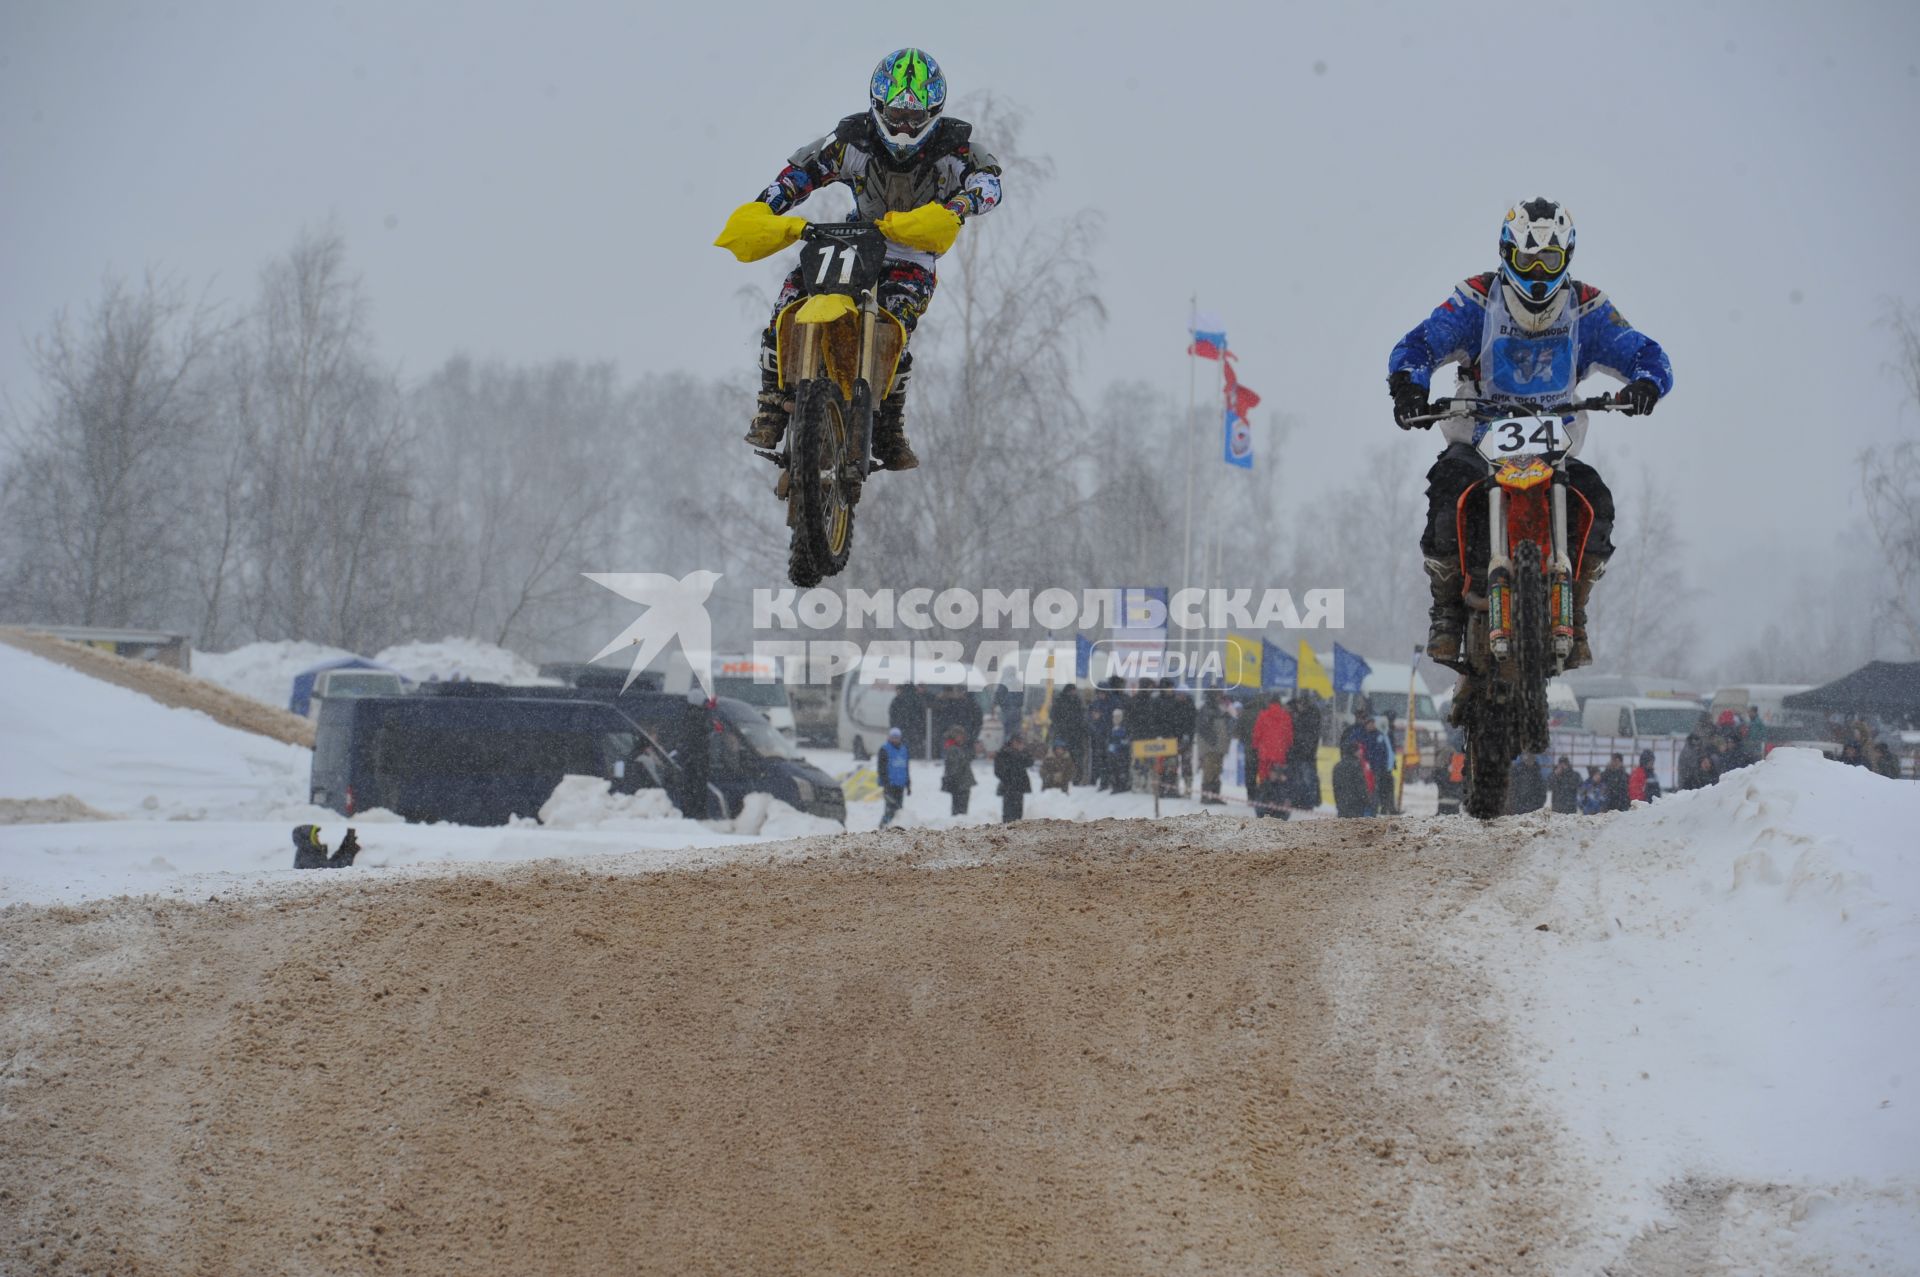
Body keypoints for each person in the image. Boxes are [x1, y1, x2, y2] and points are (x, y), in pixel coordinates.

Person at [1387, 197, 1674, 670]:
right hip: (1480, 434)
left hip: (1554, 444)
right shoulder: (1475, 298)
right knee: (1447, 492)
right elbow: (1419, 343)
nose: (1538, 274)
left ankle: (1575, 612)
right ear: (1506, 253)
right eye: (1527, 260)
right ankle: (1446, 613)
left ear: (1568, 258)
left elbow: (1645, 352)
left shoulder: (1586, 308)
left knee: (1596, 501)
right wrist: (1408, 387)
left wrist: (1646, 384)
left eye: (1549, 261)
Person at [718, 48, 1003, 472]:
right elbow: (800, 173)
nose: (904, 126)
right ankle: (770, 405)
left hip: (912, 255)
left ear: (933, 113)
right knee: (789, 300)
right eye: (896, 114)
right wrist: (770, 205)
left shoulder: (954, 148)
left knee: (897, 323)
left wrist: (962, 205)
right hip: (853, 239)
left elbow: (989, 181)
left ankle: (889, 427)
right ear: (878, 106)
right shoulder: (852, 140)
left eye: (914, 117)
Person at [1252, 696, 1296, 819]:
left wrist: (1256, 746)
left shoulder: (1263, 715)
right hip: (1279, 755)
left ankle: (1264, 809)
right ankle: (1278, 808)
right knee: (1279, 784)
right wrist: (1285, 748)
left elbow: (1257, 734)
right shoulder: (1286, 716)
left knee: (1265, 783)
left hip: (1264, 756)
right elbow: (1289, 738)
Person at [1288, 692, 1325, 811]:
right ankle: (1308, 802)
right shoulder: (1313, 715)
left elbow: (1304, 737)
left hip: (1303, 754)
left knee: (1304, 779)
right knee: (1308, 779)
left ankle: (1306, 802)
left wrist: (1300, 748)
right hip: (1307, 754)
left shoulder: (1306, 718)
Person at [1196, 689, 1233, 805]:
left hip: (1218, 747)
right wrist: (1213, 740)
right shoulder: (1207, 709)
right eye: (1218, 695)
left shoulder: (1217, 709)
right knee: (1209, 772)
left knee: (1216, 772)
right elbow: (1203, 728)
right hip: (1210, 748)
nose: (1220, 697)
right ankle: (1206, 796)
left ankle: (1214, 795)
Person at [1050, 682, 1090, 784]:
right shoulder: (1061, 701)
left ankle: (1076, 777)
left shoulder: (1076, 701)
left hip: (1075, 734)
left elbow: (1082, 717)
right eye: (1072, 691)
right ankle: (1064, 777)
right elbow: (1054, 717)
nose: (1073, 693)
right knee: (1064, 757)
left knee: (1076, 757)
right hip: (1065, 733)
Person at [994, 733, 1034, 822]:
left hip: (1020, 786)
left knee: (1018, 811)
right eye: (1017, 742)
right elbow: (998, 770)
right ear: (1012, 742)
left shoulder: (1022, 753)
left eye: (1020, 742)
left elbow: (1030, 762)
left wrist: (1022, 752)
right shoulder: (1004, 753)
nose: (1019, 744)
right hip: (1008, 786)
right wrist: (1007, 778)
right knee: (1008, 811)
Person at [878, 726, 912, 826]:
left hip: (900, 784)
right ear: (889, 737)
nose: (895, 739)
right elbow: (881, 768)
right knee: (890, 808)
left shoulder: (904, 750)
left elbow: (906, 768)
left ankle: (896, 826)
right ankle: (884, 825)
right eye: (893, 737)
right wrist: (885, 782)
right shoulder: (884, 749)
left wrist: (908, 784)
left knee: (899, 809)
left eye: (897, 737)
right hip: (889, 784)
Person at [1332, 742, 1374, 818]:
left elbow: (1335, 788)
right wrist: (1367, 801)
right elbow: (1360, 786)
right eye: (1358, 750)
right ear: (1354, 752)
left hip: (1342, 805)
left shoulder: (1337, 766)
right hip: (1356, 806)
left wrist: (1339, 803)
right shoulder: (1356, 766)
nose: (1361, 752)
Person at [939, 727, 974, 816]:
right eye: (960, 735)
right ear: (955, 736)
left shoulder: (957, 748)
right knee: (960, 812)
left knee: (959, 810)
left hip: (961, 784)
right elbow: (954, 768)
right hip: (960, 785)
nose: (962, 738)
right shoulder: (953, 749)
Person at [292, 825, 359, 870]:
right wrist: (349, 853)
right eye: (315, 836)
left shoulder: (309, 852)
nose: (318, 837)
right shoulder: (306, 857)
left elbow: (329, 864)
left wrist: (344, 847)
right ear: (308, 840)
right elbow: (333, 871)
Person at [889, 682, 927, 759]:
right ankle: (914, 757)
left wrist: (894, 726)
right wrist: (922, 727)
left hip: (900, 728)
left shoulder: (897, 699)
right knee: (914, 748)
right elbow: (923, 715)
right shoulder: (918, 699)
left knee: (901, 746)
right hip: (916, 729)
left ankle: (902, 757)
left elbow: (892, 714)